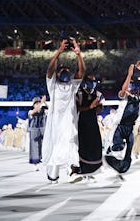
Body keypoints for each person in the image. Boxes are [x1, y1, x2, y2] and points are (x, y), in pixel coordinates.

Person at [42, 38, 85, 184]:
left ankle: (72, 172)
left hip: (70, 122)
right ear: (57, 74)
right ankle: (53, 176)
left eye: (67, 70)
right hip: (55, 123)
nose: (65, 72)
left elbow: (82, 72)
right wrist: (59, 52)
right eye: (62, 70)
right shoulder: (52, 85)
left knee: (72, 144)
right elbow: (49, 70)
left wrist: (79, 55)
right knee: (56, 148)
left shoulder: (73, 84)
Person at [105, 61, 140, 177]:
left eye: (133, 84)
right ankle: (110, 153)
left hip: (130, 127)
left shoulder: (138, 94)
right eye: (130, 83)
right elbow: (123, 90)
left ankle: (122, 169)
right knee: (118, 148)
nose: (132, 86)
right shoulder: (123, 95)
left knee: (129, 151)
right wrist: (129, 75)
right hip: (120, 126)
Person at [69, 73, 105, 183]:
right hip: (81, 123)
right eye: (90, 80)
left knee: (93, 147)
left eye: (94, 81)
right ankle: (77, 171)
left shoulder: (98, 94)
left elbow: (100, 109)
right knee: (81, 148)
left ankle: (90, 172)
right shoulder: (78, 93)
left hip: (93, 124)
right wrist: (90, 106)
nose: (92, 83)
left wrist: (97, 107)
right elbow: (76, 109)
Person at [27, 96, 47, 171]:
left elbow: (51, 109)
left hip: (42, 130)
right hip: (34, 131)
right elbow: (34, 111)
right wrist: (42, 102)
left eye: (39, 103)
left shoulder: (44, 111)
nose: (38, 105)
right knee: (34, 147)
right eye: (36, 103)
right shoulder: (30, 111)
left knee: (42, 146)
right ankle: (35, 163)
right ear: (33, 105)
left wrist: (45, 102)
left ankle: (41, 161)